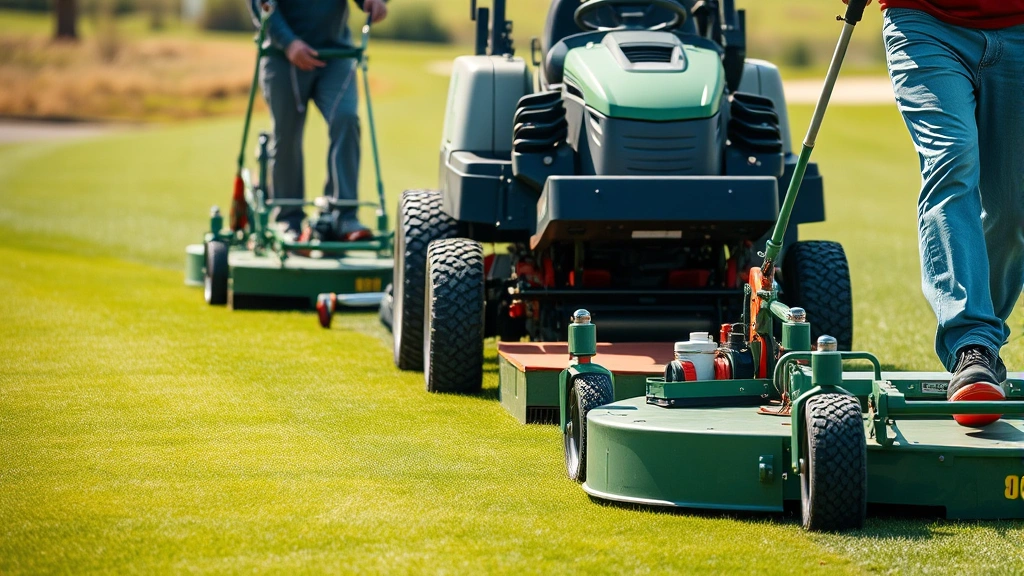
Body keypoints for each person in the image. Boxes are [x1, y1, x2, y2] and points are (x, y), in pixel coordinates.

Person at [845, 0, 1024, 402]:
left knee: (1014, 210)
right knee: (952, 158)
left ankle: (982, 342)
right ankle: (971, 344)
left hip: (1019, 27)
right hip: (923, 21)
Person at [248, 0, 388, 241]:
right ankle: (288, 219)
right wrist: (289, 42)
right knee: (287, 135)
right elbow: (262, 4)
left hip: (336, 55)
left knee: (346, 118)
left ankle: (343, 215)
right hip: (282, 57)